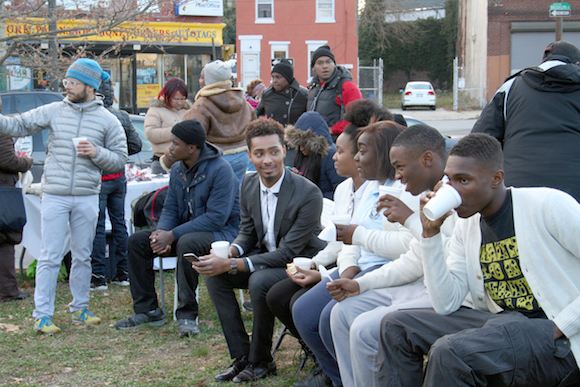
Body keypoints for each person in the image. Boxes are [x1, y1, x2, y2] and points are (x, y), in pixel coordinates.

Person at [378, 133, 580, 387]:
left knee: (450, 352)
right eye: (449, 180)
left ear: (496, 179)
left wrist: (559, 327)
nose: (455, 190)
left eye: (465, 180)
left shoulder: (547, 205)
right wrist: (430, 234)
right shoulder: (468, 225)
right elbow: (446, 303)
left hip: (555, 337)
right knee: (396, 326)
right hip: (502, 324)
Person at [192, 118, 326, 383]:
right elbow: (247, 232)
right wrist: (231, 252)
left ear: (284, 150)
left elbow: (289, 252)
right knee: (215, 276)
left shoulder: (308, 193)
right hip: (266, 260)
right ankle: (243, 356)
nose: (268, 160)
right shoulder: (249, 184)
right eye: (260, 153)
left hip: (301, 264)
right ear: (249, 155)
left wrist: (235, 265)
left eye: (274, 152)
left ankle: (261, 360)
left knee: (259, 280)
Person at [0, 58, 127, 334]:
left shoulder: (108, 120)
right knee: (50, 255)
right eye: (66, 82)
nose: (67, 86)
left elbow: (119, 160)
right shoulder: (55, 110)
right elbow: (19, 125)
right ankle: (42, 314)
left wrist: (96, 153)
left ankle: (80, 307)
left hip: (87, 196)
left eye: (73, 82)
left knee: (83, 255)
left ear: (90, 86)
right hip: (55, 194)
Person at [328, 125, 455, 387]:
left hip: (438, 292)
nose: (398, 176)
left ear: (427, 159)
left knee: (365, 328)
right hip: (416, 281)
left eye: (400, 167)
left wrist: (409, 219)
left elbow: (432, 255)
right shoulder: (420, 192)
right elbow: (414, 258)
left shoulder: (452, 197)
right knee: (342, 312)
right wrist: (359, 283)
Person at [292, 121, 411, 387]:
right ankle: (340, 377)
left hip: (385, 269)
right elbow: (349, 242)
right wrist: (346, 271)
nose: (357, 157)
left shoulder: (404, 190)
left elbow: (403, 248)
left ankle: (362, 377)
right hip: (357, 267)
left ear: (382, 155)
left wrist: (357, 244)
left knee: (328, 317)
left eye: (362, 151)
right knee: (303, 311)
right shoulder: (368, 188)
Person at [115, 119, 240, 336]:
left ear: (192, 148)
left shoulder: (221, 170)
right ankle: (148, 310)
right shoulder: (177, 170)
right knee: (137, 242)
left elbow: (216, 218)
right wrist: (161, 234)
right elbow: (171, 207)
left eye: (175, 143)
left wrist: (173, 235)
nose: (169, 148)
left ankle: (187, 315)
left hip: (222, 236)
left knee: (186, 242)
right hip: (184, 233)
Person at [472, 40, 580, 202]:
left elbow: (479, 143)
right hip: (573, 192)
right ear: (577, 63)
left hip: (517, 192)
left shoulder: (510, 87)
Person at [90, 79, 142, 291]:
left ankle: (98, 275)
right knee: (119, 224)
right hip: (118, 177)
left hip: (99, 178)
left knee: (98, 226)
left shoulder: (92, 116)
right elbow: (136, 145)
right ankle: (123, 272)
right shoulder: (121, 116)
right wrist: (118, 156)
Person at [183, 59, 257, 185]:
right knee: (236, 196)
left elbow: (188, 133)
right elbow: (254, 125)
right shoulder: (242, 100)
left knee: (216, 197)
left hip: (216, 157)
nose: (199, 81)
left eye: (202, 77)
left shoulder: (203, 104)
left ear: (210, 80)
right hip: (242, 155)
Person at [0, 99, 33, 303]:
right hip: (3, 191)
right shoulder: (2, 128)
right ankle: (8, 291)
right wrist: (27, 162)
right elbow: (8, 161)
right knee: (6, 240)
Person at [285, 111, 345, 199]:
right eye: (299, 144)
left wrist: (312, 198)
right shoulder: (304, 156)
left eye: (305, 144)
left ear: (314, 142)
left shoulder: (331, 156)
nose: (301, 148)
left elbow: (340, 192)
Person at [308, 45, 362, 139]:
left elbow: (358, 118)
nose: (325, 66)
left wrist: (332, 129)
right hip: (315, 143)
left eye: (328, 62)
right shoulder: (313, 88)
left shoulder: (347, 86)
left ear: (334, 64)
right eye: (320, 63)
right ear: (313, 67)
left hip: (338, 142)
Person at [144, 77, 191, 174]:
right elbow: (150, 133)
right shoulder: (156, 110)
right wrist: (176, 131)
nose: (179, 103)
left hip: (186, 162)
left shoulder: (188, 111)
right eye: (176, 99)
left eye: (183, 99)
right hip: (162, 162)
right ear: (167, 96)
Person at [256, 59, 308, 125]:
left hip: (294, 133)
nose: (274, 81)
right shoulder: (267, 93)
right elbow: (257, 114)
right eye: (273, 77)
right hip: (274, 133)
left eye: (278, 77)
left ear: (288, 78)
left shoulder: (302, 94)